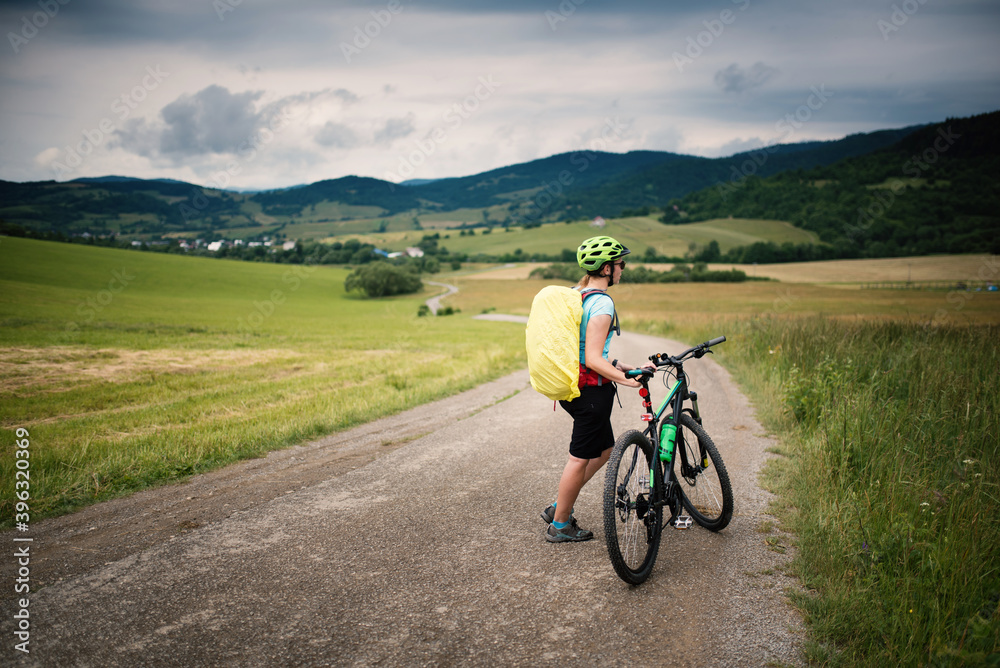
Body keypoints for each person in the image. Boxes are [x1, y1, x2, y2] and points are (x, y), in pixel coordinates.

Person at [542, 235, 652, 542]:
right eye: (620, 264)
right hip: (590, 393)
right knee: (579, 458)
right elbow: (591, 358)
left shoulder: (576, 294)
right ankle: (560, 524)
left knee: (604, 451)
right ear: (606, 268)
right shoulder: (602, 302)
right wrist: (626, 380)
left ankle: (558, 506)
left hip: (572, 386)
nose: (623, 269)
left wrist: (622, 365)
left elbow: (583, 351)